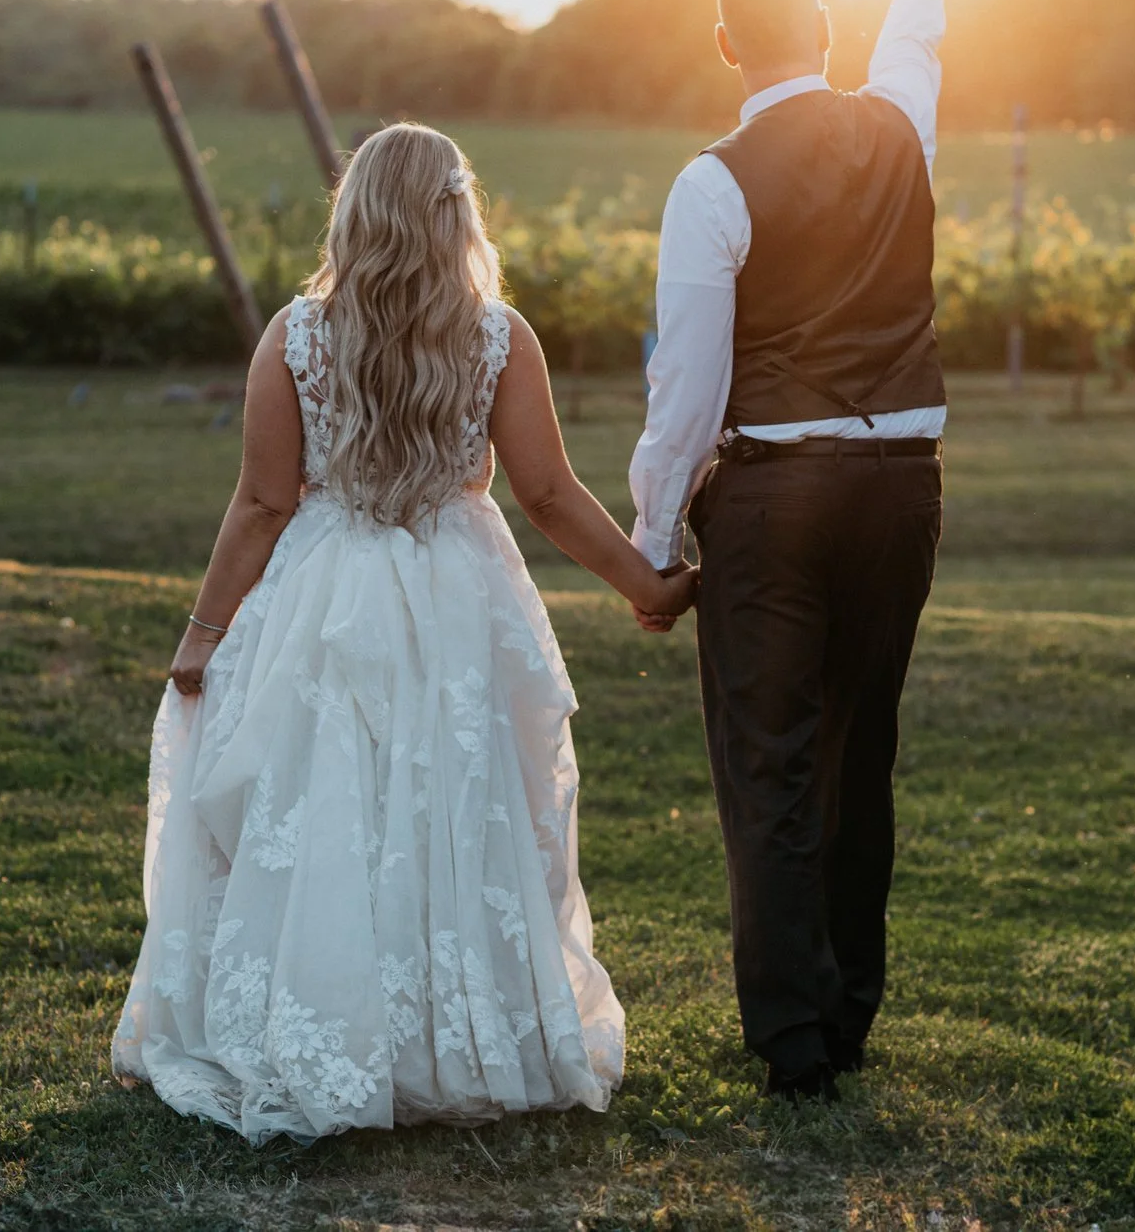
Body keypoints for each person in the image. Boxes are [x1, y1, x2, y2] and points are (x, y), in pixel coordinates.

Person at [113, 122, 699, 1143]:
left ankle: (334, 1027)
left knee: (332, 795)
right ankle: (454, 1031)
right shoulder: (496, 335)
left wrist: (204, 632)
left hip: (324, 590)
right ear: (455, 209)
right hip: (459, 591)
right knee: (449, 799)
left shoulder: (297, 334)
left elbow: (260, 502)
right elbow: (549, 494)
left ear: (354, 210)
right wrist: (644, 582)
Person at [627, 0, 958, 1101]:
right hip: (902, 487)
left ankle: (793, 1041)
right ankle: (848, 1007)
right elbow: (915, 46)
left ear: (724, 47)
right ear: (822, 26)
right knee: (857, 750)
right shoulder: (900, 129)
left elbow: (688, 385)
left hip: (774, 495)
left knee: (769, 759)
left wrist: (654, 542)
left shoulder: (710, 183)